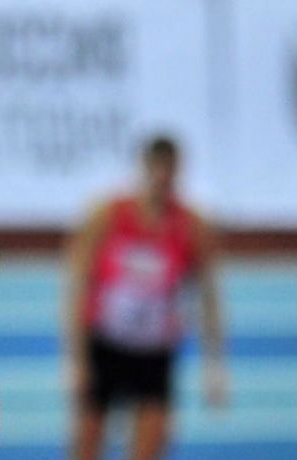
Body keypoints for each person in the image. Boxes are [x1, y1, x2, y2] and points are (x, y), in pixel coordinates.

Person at [66, 136, 226, 460]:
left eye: (169, 173)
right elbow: (79, 284)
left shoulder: (191, 226)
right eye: (156, 172)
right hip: (106, 345)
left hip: (155, 352)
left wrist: (214, 365)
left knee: (151, 446)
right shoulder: (108, 215)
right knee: (86, 446)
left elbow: (208, 295)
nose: (162, 181)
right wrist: (76, 360)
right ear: (144, 170)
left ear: (177, 173)